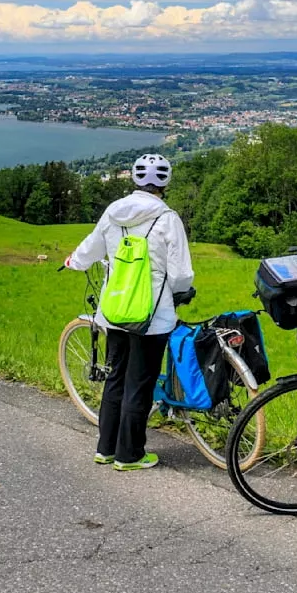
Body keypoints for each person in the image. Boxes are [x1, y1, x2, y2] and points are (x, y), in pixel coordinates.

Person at [64, 154, 194, 471]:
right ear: (165, 183)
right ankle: (130, 455)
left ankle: (106, 449)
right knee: (140, 383)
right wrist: (182, 292)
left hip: (114, 310)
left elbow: (90, 249)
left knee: (115, 377)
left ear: (134, 180)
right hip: (153, 317)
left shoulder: (113, 212)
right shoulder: (168, 219)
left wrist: (72, 262)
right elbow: (180, 275)